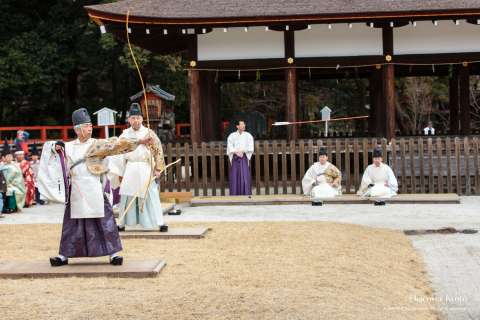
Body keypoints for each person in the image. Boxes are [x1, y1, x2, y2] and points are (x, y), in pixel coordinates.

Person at [44, 107, 154, 267]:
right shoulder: (68, 146)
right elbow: (51, 151)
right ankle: (63, 255)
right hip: (76, 189)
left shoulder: (97, 144)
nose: (90, 128)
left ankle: (114, 254)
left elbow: (117, 144)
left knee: (105, 221)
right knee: (71, 224)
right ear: (78, 129)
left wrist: (139, 141)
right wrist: (55, 147)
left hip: (94, 186)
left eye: (90, 125)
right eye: (87, 125)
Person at [108, 103, 168, 232]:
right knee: (127, 195)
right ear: (129, 120)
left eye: (138, 118)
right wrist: (119, 172)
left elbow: (158, 151)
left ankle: (159, 222)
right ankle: (122, 222)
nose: (136, 120)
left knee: (150, 193)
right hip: (130, 167)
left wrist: (158, 168)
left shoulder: (149, 133)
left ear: (142, 118)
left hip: (146, 167)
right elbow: (118, 153)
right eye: (133, 118)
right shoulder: (124, 135)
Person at [227, 120, 254, 196]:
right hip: (235, 157)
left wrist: (243, 151)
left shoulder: (248, 135)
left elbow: (250, 146)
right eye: (242, 124)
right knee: (235, 175)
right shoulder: (232, 135)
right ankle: (235, 193)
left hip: (244, 157)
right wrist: (236, 152)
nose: (244, 125)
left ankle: (246, 193)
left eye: (244, 124)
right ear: (237, 126)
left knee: (245, 175)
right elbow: (230, 146)